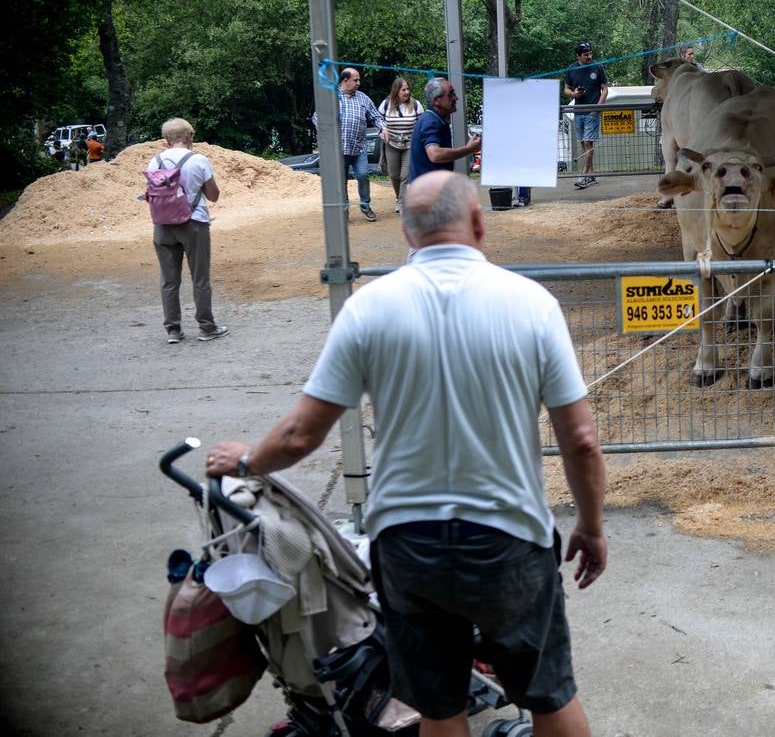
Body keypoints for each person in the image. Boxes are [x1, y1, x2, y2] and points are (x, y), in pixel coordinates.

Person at [204, 170, 607, 737]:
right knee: (549, 694)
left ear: (408, 235)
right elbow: (582, 440)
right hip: (509, 539)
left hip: (408, 546)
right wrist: (591, 526)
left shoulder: (371, 309)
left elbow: (300, 435)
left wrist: (245, 461)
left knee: (441, 709)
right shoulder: (531, 304)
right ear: (478, 223)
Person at [147, 118, 229, 344]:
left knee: (169, 280)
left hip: (162, 227)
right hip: (194, 224)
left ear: (166, 140)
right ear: (190, 136)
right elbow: (213, 195)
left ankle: (173, 330)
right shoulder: (199, 160)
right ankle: (207, 327)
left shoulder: (153, 163)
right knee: (200, 278)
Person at [312, 67, 387, 221]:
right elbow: (317, 116)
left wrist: (383, 128)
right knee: (341, 181)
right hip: (338, 149)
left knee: (363, 174)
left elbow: (376, 117)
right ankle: (343, 210)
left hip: (359, 147)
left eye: (359, 80)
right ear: (345, 80)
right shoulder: (331, 96)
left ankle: (365, 205)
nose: (359, 83)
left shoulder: (363, 98)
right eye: (356, 80)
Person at [409, 77, 482, 185]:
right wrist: (468, 149)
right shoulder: (430, 122)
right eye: (451, 94)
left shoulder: (436, 120)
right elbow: (435, 155)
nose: (456, 98)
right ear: (436, 100)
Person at [564, 41, 608, 189]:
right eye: (586, 55)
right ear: (578, 56)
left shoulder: (597, 67)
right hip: (578, 111)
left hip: (592, 111)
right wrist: (574, 94)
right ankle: (591, 174)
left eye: (590, 54)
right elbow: (566, 89)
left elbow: (605, 89)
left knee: (589, 142)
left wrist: (597, 107)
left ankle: (584, 175)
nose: (589, 56)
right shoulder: (571, 69)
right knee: (583, 143)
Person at [379, 77, 423, 213]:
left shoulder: (415, 104)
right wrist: (382, 130)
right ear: (396, 91)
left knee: (405, 175)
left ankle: (402, 201)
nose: (407, 92)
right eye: (403, 90)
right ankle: (398, 196)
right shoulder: (386, 104)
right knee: (393, 174)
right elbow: (378, 120)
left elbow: (422, 122)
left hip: (410, 144)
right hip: (391, 143)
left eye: (408, 89)